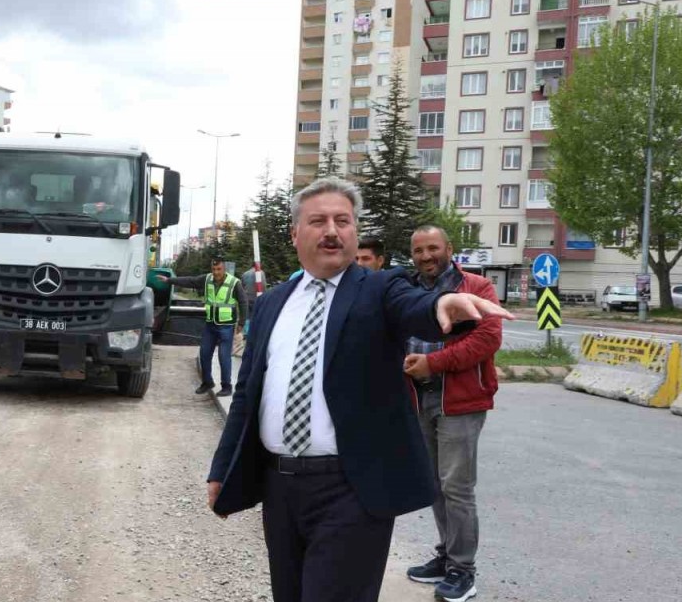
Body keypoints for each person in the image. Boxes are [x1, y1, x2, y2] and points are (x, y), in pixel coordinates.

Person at [205, 178, 513, 602]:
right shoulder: (274, 301)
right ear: (295, 233)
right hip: (280, 487)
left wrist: (441, 305)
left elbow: (415, 307)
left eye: (343, 221)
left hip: (349, 489)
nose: (333, 230)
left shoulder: (380, 288)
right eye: (318, 220)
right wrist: (223, 468)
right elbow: (247, 394)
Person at [403, 226, 501, 602]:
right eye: (418, 250)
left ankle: (464, 570)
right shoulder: (408, 288)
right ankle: (446, 557)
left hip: (459, 399)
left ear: (449, 249)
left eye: (433, 248)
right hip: (416, 398)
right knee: (434, 484)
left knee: (457, 488)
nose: (426, 256)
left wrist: (434, 363)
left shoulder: (476, 287)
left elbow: (488, 339)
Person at [160, 259, 249, 397]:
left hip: (226, 326)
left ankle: (227, 386)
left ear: (224, 269)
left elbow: (243, 303)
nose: (216, 272)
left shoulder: (234, 283)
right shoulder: (207, 279)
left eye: (219, 269)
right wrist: (169, 280)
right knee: (204, 354)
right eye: (214, 269)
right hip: (210, 325)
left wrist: (242, 323)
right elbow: (190, 281)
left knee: (224, 356)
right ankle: (207, 382)